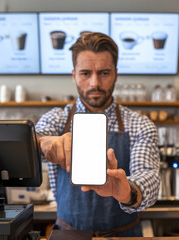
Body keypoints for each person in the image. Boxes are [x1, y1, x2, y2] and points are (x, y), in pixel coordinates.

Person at [36, 32, 160, 237]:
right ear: (74, 74)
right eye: (85, 73)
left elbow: (149, 178)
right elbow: (32, 141)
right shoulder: (57, 120)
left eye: (104, 73)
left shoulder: (139, 124)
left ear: (116, 74)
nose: (95, 83)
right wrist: (44, 142)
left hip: (123, 234)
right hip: (68, 234)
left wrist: (127, 191)